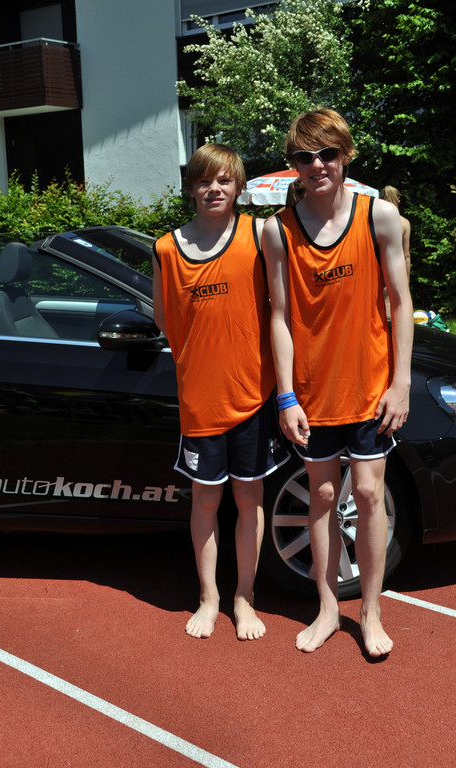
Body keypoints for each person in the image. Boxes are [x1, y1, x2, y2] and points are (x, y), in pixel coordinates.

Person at [263, 109, 413, 658]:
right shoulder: (277, 230)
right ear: (294, 166)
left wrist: (401, 383)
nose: (317, 165)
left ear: (345, 156)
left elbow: (401, 303)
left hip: (370, 388)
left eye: (327, 154)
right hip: (311, 392)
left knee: (370, 495)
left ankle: (370, 611)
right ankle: (328, 608)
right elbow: (279, 317)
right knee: (323, 494)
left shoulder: (380, 217)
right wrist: (286, 395)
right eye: (305, 157)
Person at [153, 143, 289, 641]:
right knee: (205, 499)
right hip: (201, 401)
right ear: (191, 188)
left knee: (250, 497)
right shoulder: (166, 249)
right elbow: (164, 319)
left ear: (239, 187)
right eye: (204, 180)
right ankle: (209, 597)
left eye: (224, 180)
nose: (214, 189)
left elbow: (284, 309)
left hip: (253, 396)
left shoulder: (260, 233)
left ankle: (244, 597)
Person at [379, 185, 411, 280]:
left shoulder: (372, 220)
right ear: (398, 200)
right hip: (395, 272)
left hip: (375, 271)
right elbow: (406, 256)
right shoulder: (405, 223)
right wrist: (407, 280)